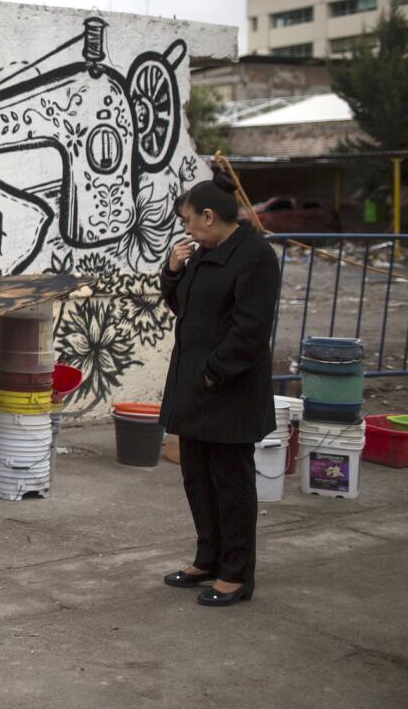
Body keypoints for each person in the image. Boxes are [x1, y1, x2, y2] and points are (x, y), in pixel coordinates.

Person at [157, 172, 280, 607]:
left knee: (230, 484)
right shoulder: (207, 253)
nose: (187, 229)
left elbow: (251, 330)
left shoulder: (254, 257)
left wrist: (213, 372)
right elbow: (184, 306)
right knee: (198, 479)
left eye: (190, 220)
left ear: (209, 216)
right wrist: (173, 270)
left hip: (227, 391)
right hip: (195, 387)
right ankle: (207, 559)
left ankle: (236, 573)